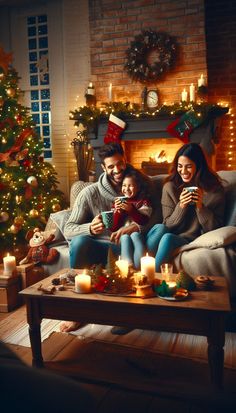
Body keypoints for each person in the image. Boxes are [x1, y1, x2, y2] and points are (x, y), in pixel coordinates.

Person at [61, 142, 140, 333]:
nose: (117, 169)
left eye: (119, 163)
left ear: (125, 160)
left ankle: (129, 315)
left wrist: (134, 226)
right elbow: (69, 228)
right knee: (79, 242)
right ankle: (77, 313)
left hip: (130, 245)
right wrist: (90, 227)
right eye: (110, 166)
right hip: (104, 246)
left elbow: (155, 217)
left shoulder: (140, 183)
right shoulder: (90, 193)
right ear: (103, 168)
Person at [143, 142, 225, 271]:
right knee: (161, 230)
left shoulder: (214, 190)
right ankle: (144, 271)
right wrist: (181, 206)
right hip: (171, 232)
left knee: (167, 238)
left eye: (188, 167)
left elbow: (215, 228)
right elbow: (167, 224)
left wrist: (200, 207)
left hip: (191, 238)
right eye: (180, 166)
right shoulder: (170, 187)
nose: (183, 171)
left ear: (199, 166)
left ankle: (152, 277)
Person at [111, 168, 153, 269]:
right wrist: (118, 212)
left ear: (138, 187)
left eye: (130, 185)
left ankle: (140, 267)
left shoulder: (144, 202)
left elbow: (143, 220)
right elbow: (113, 227)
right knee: (125, 237)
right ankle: (128, 267)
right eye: (124, 185)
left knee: (135, 235)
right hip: (122, 236)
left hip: (139, 234)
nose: (126, 189)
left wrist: (131, 210)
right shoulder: (117, 203)